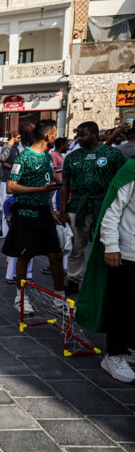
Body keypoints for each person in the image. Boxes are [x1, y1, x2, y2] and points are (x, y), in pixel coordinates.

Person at [77, 156, 135, 383]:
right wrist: (111, 245)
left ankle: (130, 348)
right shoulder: (130, 171)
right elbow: (112, 211)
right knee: (124, 306)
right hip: (128, 252)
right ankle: (114, 354)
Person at [2, 120, 64, 314]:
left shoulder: (47, 157)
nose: (56, 136)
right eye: (54, 133)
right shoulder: (23, 158)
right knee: (24, 256)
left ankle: (60, 299)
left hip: (45, 214)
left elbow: (51, 179)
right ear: (48, 136)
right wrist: (39, 189)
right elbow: (11, 187)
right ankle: (21, 297)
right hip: (26, 213)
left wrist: (53, 209)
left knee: (55, 256)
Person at [59, 121, 125, 294]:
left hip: (104, 207)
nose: (79, 139)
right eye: (78, 135)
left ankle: (104, 279)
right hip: (78, 207)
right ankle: (72, 278)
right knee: (76, 246)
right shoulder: (72, 157)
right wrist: (63, 210)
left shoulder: (113, 154)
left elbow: (121, 185)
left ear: (95, 134)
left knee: (106, 244)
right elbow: (65, 186)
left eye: (83, 135)